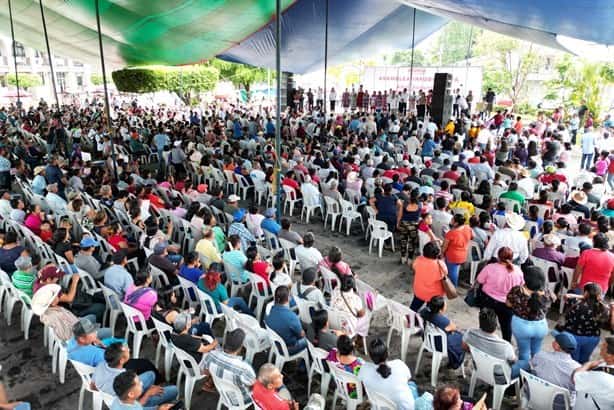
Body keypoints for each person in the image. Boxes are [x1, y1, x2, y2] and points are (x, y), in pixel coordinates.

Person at [92, 343, 178, 408]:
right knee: (174, 390)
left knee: (150, 375)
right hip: (135, 402)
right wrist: (147, 394)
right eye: (126, 350)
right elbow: (134, 405)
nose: (128, 349)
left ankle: (152, 389)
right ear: (121, 360)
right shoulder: (123, 378)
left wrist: (105, 393)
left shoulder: (100, 366)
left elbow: (93, 386)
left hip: (120, 398)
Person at [475, 247, 524, 342]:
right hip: (507, 304)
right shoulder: (517, 271)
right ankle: (507, 345)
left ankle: (483, 341)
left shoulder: (490, 267)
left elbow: (480, 280)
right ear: (512, 258)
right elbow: (521, 285)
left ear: (498, 257)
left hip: (488, 300)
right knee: (506, 327)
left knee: (486, 323)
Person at [462, 307, 527, 378]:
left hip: (479, 368)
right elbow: (513, 363)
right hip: (499, 376)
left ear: (480, 323)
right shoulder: (506, 346)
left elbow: (464, 346)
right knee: (525, 365)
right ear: (496, 326)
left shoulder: (470, 333)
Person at [200, 329, 256, 406]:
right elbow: (253, 384)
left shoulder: (211, 355)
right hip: (241, 400)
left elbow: (204, 371)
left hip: (223, 394)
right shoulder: (244, 368)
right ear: (240, 347)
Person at [506, 266, 550, 361]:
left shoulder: (517, 291)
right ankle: (534, 368)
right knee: (536, 351)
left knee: (524, 352)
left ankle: (524, 371)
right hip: (541, 326)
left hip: (522, 326)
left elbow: (508, 304)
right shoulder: (546, 293)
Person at [562, 283, 613, 364]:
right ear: (599, 295)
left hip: (574, 336)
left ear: (585, 293)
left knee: (572, 361)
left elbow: (567, 296)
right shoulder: (603, 308)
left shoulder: (576, 303)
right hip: (592, 338)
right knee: (584, 360)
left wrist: (584, 297)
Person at [359, 338, 415, 410]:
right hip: (406, 407)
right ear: (387, 353)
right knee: (412, 385)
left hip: (379, 407)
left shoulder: (364, 369)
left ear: (370, 357)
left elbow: (361, 385)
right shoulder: (399, 364)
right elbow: (408, 378)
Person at [420, 296, 465, 369]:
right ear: (440, 310)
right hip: (440, 344)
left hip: (427, 339)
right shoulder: (443, 320)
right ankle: (454, 362)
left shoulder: (424, 311)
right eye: (445, 305)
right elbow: (453, 327)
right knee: (462, 339)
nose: (446, 305)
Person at [530, 330, 580, 395]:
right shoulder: (577, 368)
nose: (553, 341)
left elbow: (533, 363)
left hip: (534, 395)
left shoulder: (541, 355)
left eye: (555, 340)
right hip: (561, 404)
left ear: (557, 346)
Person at [573, 337, 614, 409]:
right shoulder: (606, 365)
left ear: (610, 357)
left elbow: (574, 377)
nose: (600, 350)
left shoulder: (601, 376)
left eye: (603, 348)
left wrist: (589, 364)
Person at [265, 286, 307, 354]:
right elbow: (301, 335)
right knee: (308, 340)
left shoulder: (269, 309)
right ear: (288, 299)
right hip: (287, 348)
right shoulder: (292, 316)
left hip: (275, 344)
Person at [109, 370, 174, 410]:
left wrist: (148, 394)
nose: (141, 383)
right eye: (139, 383)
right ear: (131, 394)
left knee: (151, 375)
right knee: (174, 390)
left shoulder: (118, 400)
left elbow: (137, 406)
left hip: (137, 403)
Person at [410, 241, 446, 312]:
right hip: (433, 296)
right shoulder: (440, 265)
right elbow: (444, 276)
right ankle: (428, 317)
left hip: (419, 291)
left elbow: (413, 268)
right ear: (438, 253)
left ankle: (410, 317)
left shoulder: (418, 259)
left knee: (413, 308)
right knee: (431, 311)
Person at [331, 275, 369, 339]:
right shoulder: (356, 299)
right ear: (353, 286)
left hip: (334, 322)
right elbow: (361, 314)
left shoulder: (335, 290)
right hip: (348, 328)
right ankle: (360, 338)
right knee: (367, 314)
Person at [442, 213, 472, 286]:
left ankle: (452, 287)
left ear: (456, 223)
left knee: (452, 273)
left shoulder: (451, 233)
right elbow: (472, 236)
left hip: (453, 256)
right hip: (463, 254)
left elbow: (444, 247)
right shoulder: (468, 228)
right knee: (455, 270)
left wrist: (441, 254)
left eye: (452, 220)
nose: (451, 220)